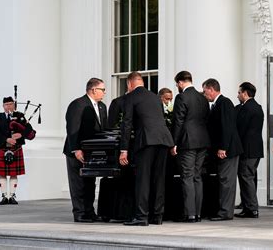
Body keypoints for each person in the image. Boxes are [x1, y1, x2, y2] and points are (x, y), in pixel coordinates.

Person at [119, 72, 174, 226]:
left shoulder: (130, 97)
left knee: (143, 179)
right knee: (158, 179)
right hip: (163, 139)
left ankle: (141, 216)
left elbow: (127, 123)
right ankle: (157, 216)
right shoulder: (155, 96)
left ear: (130, 84)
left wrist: (124, 149)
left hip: (146, 141)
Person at [63, 78, 108, 223]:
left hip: (92, 152)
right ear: (94, 90)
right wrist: (76, 149)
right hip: (77, 151)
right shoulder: (78, 104)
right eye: (103, 89)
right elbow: (72, 129)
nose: (104, 92)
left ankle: (90, 212)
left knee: (90, 182)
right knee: (78, 183)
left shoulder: (102, 107)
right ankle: (80, 213)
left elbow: (102, 129)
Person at [170, 71, 210, 223]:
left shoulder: (182, 97)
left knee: (187, 176)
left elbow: (178, 121)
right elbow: (206, 118)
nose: (177, 87)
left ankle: (190, 214)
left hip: (187, 142)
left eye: (177, 84)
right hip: (203, 141)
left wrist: (173, 142)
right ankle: (198, 213)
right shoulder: (202, 97)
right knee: (197, 176)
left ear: (180, 82)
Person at [202, 78, 243, 221]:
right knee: (223, 180)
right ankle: (222, 210)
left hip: (228, 150)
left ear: (211, 89)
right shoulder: (217, 104)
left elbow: (228, 127)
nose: (204, 93)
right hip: (224, 149)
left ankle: (225, 212)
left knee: (227, 181)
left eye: (205, 90)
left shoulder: (224, 102)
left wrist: (223, 148)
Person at [0, 96, 34, 205]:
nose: (9, 106)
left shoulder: (20, 116)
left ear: (14, 105)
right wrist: (7, 139)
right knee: (2, 174)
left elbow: (29, 129)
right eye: (6, 104)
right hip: (3, 146)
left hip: (16, 148)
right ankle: (4, 196)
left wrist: (21, 134)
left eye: (11, 104)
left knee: (14, 174)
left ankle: (11, 196)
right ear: (3, 106)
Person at [234, 82, 264, 218]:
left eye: (239, 93)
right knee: (248, 177)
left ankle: (251, 208)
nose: (238, 95)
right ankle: (248, 207)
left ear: (245, 93)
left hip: (248, 149)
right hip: (255, 149)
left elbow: (241, 129)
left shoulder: (247, 108)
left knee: (246, 177)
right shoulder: (257, 107)